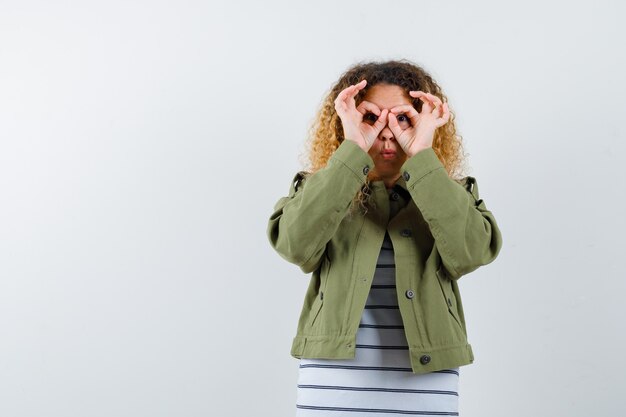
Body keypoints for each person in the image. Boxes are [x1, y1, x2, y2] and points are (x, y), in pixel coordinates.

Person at [266, 60, 503, 416]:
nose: (388, 132)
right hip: (333, 383)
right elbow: (295, 245)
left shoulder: (451, 193)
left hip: (426, 382)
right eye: (372, 117)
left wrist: (422, 154)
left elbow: (472, 252)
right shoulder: (321, 188)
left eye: (404, 118)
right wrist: (353, 149)